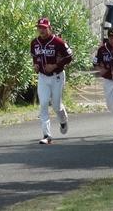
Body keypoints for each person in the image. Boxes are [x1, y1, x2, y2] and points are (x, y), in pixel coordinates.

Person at [30, 17, 73, 145]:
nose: (41, 30)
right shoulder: (34, 42)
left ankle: (63, 120)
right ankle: (47, 135)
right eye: (39, 28)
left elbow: (69, 56)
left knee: (56, 105)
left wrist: (54, 66)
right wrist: (36, 65)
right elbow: (35, 56)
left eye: (44, 28)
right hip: (43, 77)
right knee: (43, 104)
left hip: (57, 76)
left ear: (50, 28)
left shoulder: (58, 42)